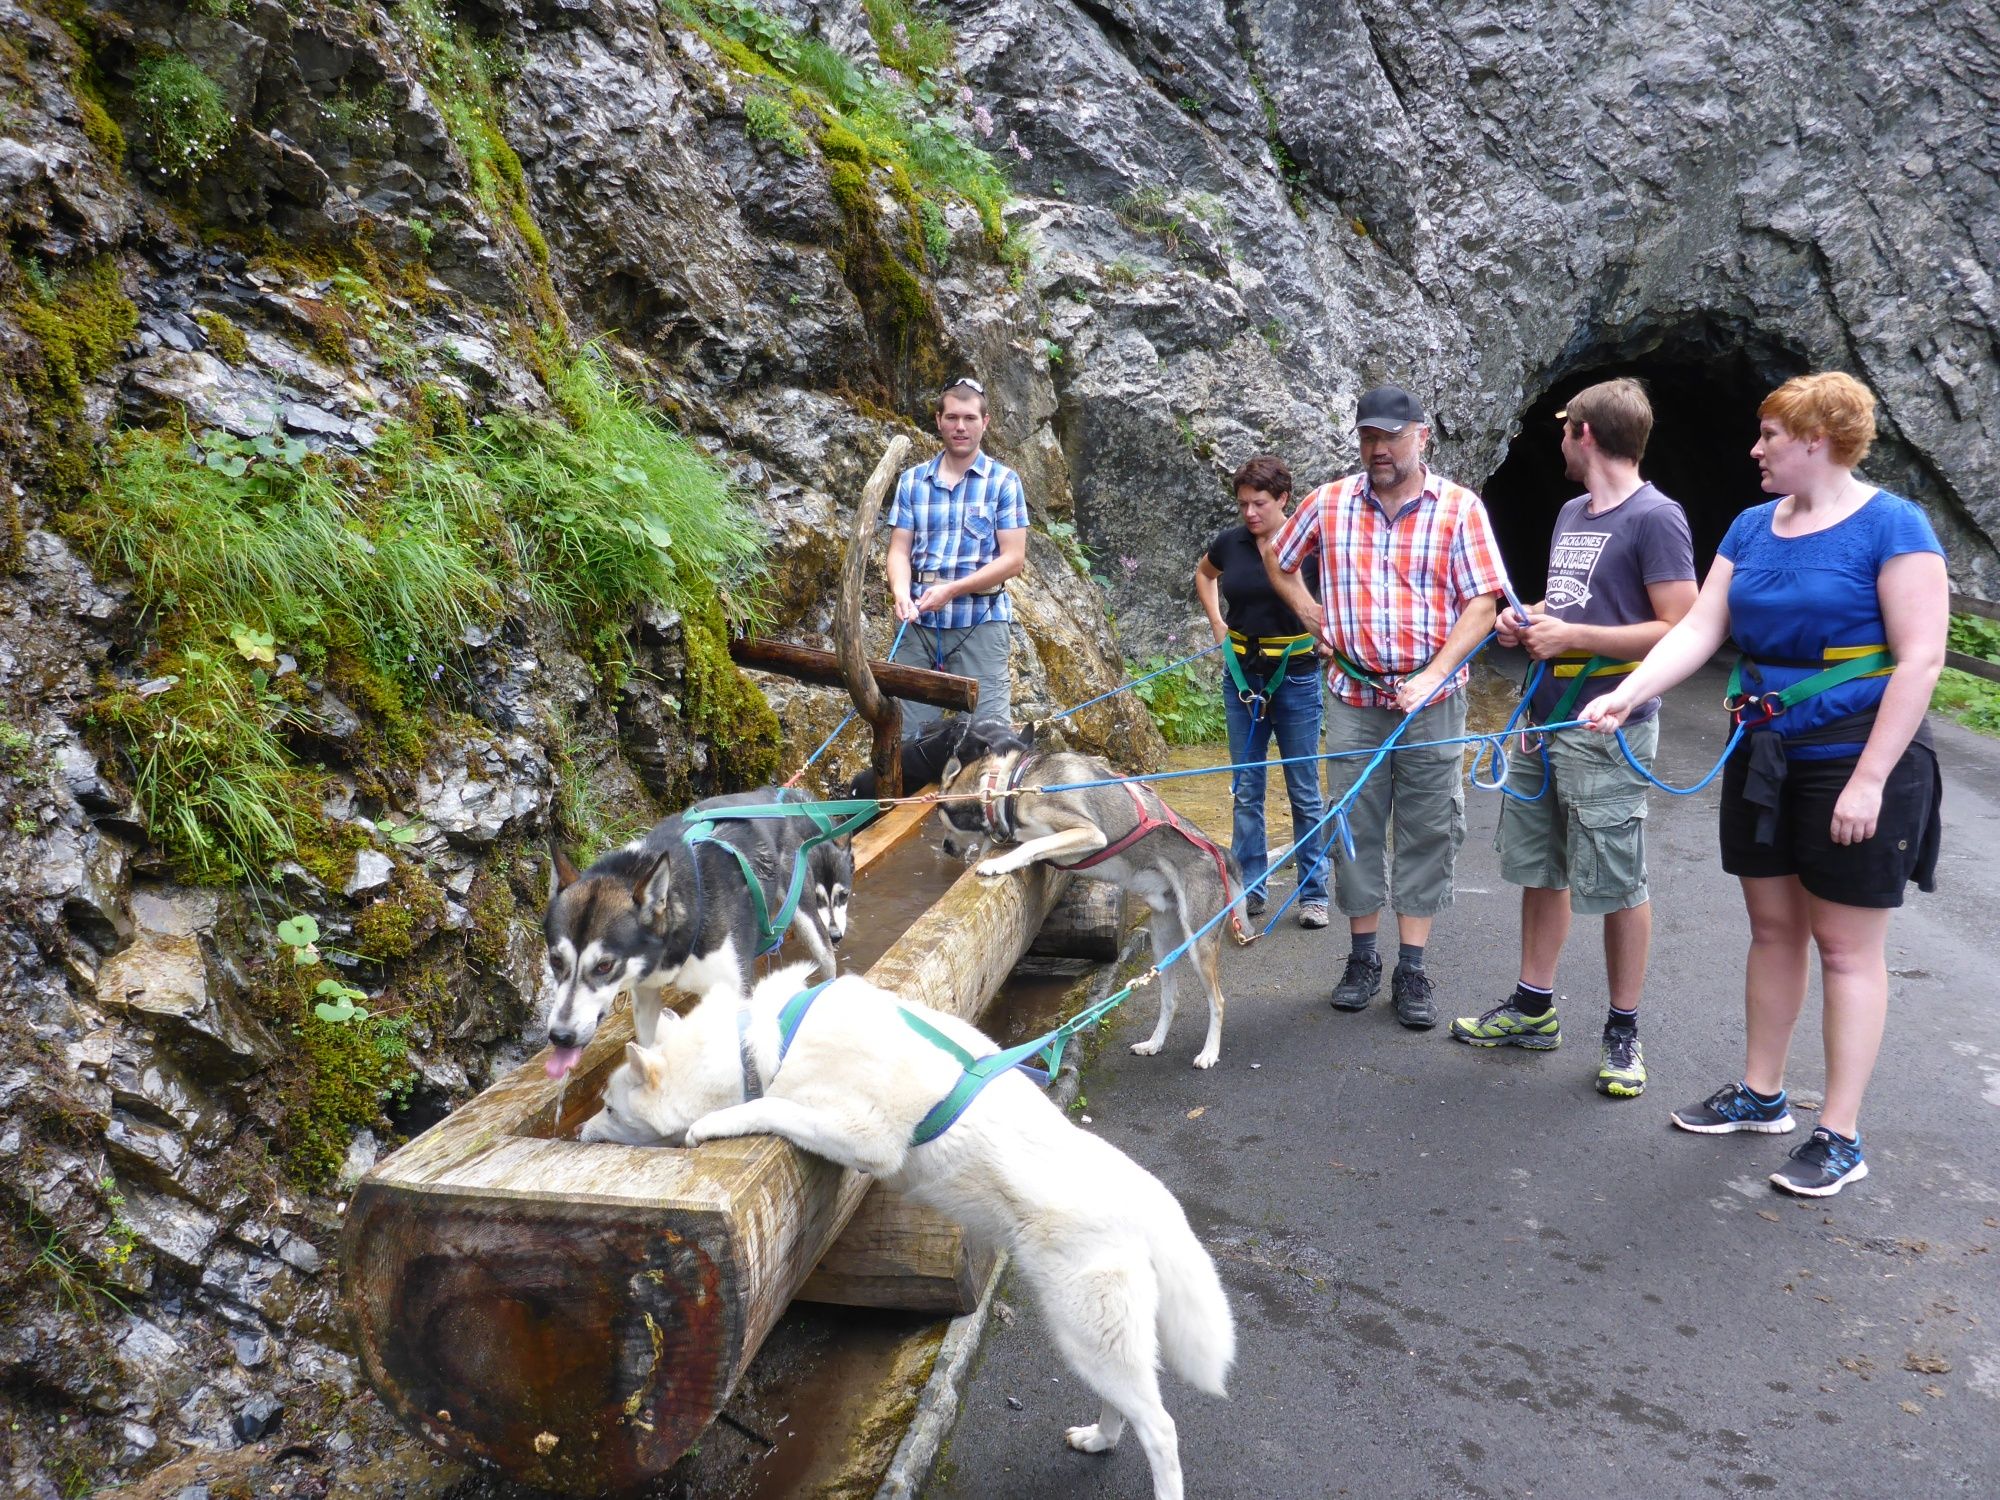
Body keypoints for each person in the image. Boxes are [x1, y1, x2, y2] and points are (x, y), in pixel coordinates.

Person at [1581, 371, 1947, 1197]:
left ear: (1816, 440)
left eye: (1769, 436)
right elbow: (1703, 627)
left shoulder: (1895, 526)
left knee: (1847, 950)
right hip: (1765, 752)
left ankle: (1841, 1134)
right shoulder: (1751, 526)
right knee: (1773, 928)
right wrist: (1628, 690)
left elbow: (1920, 659)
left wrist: (1870, 780)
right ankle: (1762, 1093)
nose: (1755, 449)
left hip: (1854, 756)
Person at [1450, 379, 1697, 1098]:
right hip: (1544, 718)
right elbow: (1568, 603)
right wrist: (1524, 618)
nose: (1557, 441)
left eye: (1563, 430)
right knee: (1540, 864)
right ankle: (1533, 1007)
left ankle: (1624, 1030)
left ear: (1584, 433)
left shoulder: (1658, 518)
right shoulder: (1571, 512)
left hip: (1609, 725)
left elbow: (1681, 628)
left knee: (1620, 878)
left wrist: (1576, 637)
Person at [1265, 384, 1510, 1028]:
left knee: (1430, 826)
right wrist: (1310, 613)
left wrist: (1432, 675)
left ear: (1420, 437)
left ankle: (1412, 966)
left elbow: (1483, 604)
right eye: (1368, 437)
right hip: (1352, 697)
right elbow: (1279, 558)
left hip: (1433, 702)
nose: (1377, 449)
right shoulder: (1329, 502)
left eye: (1390, 438)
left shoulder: (1459, 509)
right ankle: (1362, 957)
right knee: (1354, 824)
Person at [1195, 456, 1331, 929]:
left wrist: (1325, 632)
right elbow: (1205, 574)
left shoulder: (1308, 544)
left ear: (1283, 501)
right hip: (1242, 676)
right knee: (1247, 788)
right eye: (1243, 504)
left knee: (1303, 788)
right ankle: (1249, 889)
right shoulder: (1230, 544)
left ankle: (1314, 892)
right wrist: (1217, 623)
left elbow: (1334, 592)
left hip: (1294, 675)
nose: (1250, 513)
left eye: (1260, 504)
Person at [887, 377, 1028, 730]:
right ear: (938, 421)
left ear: (985, 422)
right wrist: (901, 593)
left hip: (980, 619)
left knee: (989, 737)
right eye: (951, 418)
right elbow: (899, 551)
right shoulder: (912, 481)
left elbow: (1013, 560)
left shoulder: (1004, 482)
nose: (960, 427)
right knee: (907, 734)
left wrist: (951, 590)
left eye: (969, 418)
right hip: (918, 624)